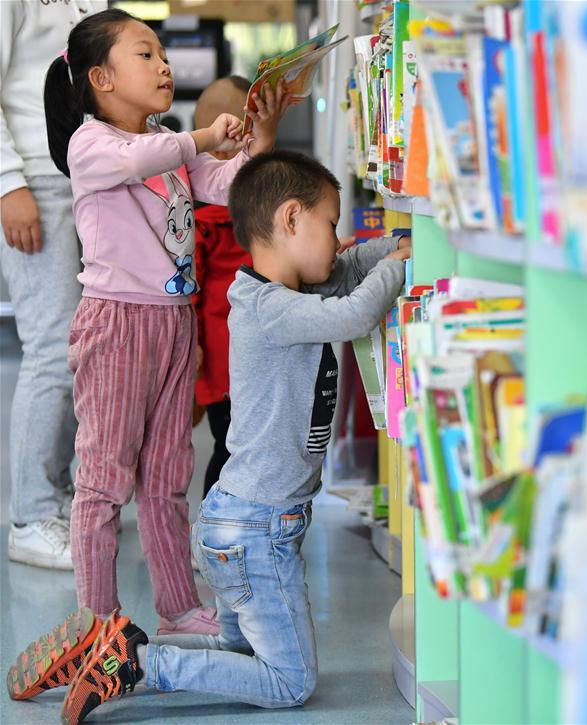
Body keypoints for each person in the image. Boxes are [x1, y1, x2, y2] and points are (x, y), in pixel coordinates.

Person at [7, 150, 412, 724]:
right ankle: (137, 665)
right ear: (293, 220)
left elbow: (348, 267)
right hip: (255, 532)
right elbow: (353, 314)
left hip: (241, 524)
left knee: (237, 654)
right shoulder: (271, 307)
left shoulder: (285, 288)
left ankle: (108, 649)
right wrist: (397, 268)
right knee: (289, 680)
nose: (338, 237)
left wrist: (394, 246)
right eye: (330, 223)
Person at [40, 9, 296, 637]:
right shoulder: (92, 145)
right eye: (145, 54)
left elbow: (230, 188)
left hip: (173, 323)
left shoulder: (166, 143)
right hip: (118, 325)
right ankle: (96, 624)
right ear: (100, 78)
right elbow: (146, 158)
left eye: (162, 54)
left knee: (166, 475)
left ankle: (178, 607)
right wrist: (203, 136)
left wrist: (257, 139)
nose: (163, 65)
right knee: (103, 481)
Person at [1, 0, 106, 570]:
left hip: (87, 172)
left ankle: (58, 497)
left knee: (79, 348)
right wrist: (6, 182)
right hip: (34, 178)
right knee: (49, 347)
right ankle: (29, 517)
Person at [190, 75, 253, 497]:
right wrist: (190, 343)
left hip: (250, 353)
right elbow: (187, 288)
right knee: (229, 447)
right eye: (249, 142)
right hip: (220, 356)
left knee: (243, 447)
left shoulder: (254, 210)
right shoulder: (202, 223)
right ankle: (212, 532)